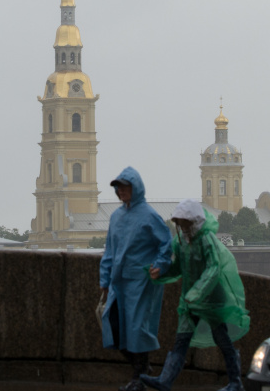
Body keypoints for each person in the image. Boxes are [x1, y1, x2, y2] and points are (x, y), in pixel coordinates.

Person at [141, 199, 249, 391]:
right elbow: (178, 268)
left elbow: (213, 268)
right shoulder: (182, 242)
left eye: (185, 222)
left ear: (194, 222)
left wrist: (197, 292)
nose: (182, 226)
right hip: (191, 301)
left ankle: (235, 382)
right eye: (180, 223)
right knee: (181, 341)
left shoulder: (207, 240)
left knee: (222, 340)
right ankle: (165, 380)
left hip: (212, 300)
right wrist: (161, 272)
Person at [99, 167, 173, 391]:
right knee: (112, 323)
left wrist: (159, 266)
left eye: (125, 186)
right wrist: (104, 279)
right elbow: (110, 250)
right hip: (118, 282)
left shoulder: (149, 215)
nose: (121, 191)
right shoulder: (116, 216)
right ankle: (142, 367)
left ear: (136, 188)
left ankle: (138, 377)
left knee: (137, 328)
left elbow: (166, 244)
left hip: (141, 282)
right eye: (118, 187)